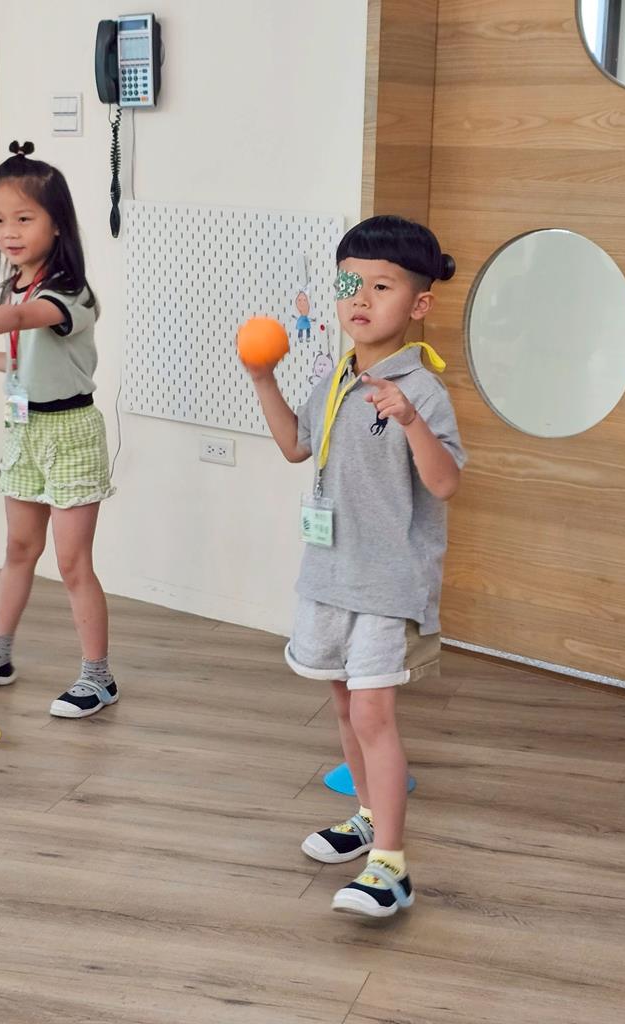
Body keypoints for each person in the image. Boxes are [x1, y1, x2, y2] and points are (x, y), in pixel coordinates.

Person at [243, 214, 466, 917]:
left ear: (419, 304)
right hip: (329, 575)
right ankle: (368, 815)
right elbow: (295, 447)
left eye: (381, 285)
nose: (360, 298)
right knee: (343, 703)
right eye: (349, 284)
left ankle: (391, 867)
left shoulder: (421, 389)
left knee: (373, 713)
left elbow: (446, 484)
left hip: (389, 584)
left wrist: (410, 420)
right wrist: (263, 379)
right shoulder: (338, 376)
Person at [0, 141, 118, 719]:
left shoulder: (69, 292)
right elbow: (27, 365)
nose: (9, 232)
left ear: (57, 223)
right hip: (24, 431)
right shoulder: (16, 286)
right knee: (19, 549)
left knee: (72, 564)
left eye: (24, 218)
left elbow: (22, 318)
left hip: (70, 433)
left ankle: (98, 678)